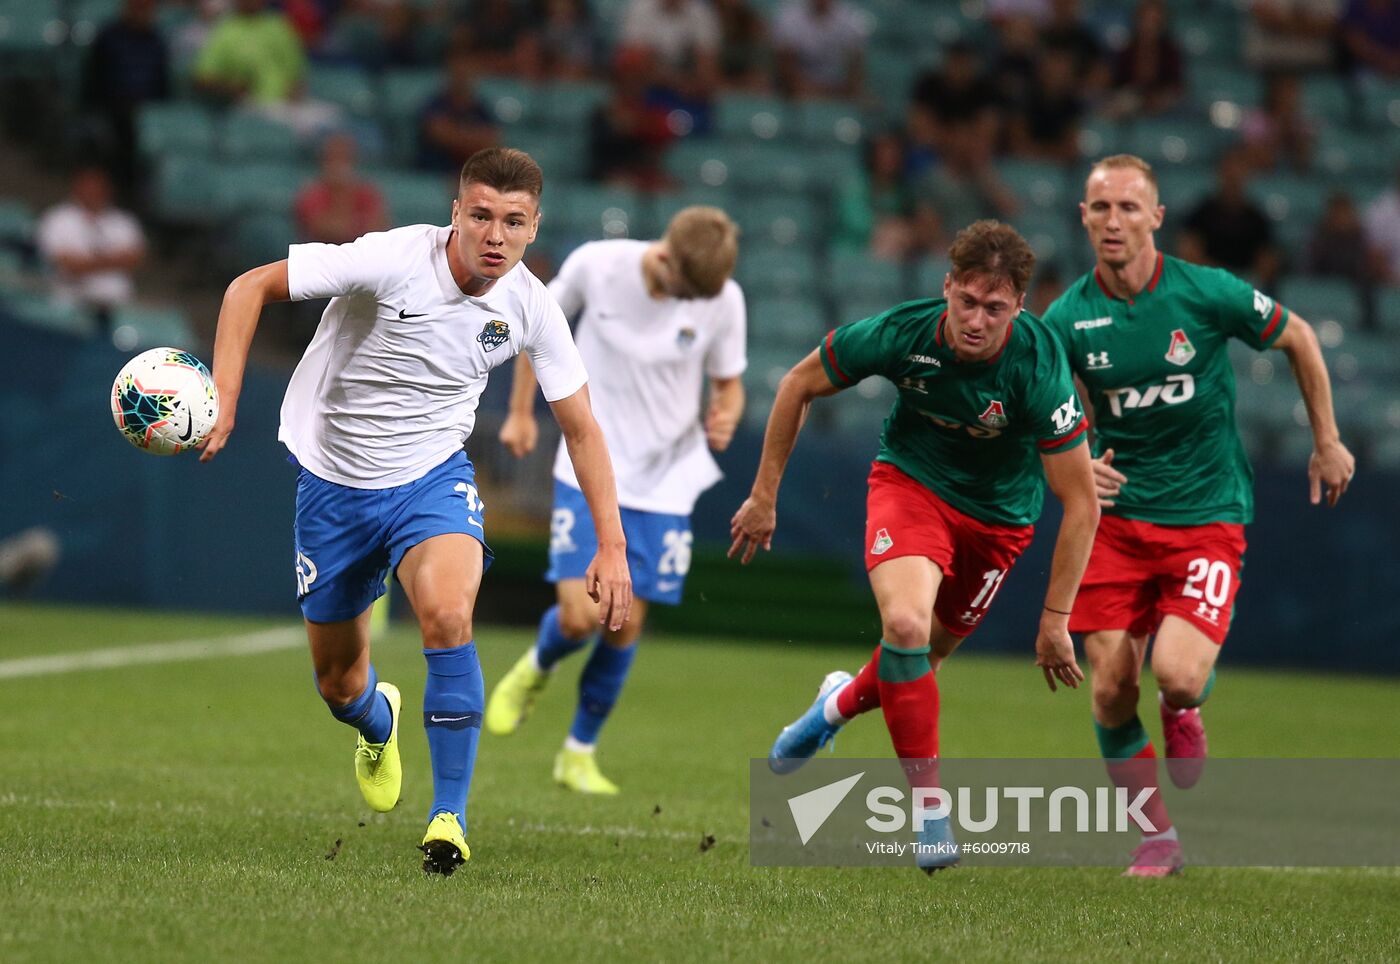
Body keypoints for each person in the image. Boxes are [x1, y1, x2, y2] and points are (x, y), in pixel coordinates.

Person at [196, 148, 633, 875]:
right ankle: (378, 722)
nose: (496, 235)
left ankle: (449, 819)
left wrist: (611, 545)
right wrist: (228, 397)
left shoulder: (529, 305)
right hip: (333, 484)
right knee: (338, 685)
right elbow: (248, 288)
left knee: (448, 616)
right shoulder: (390, 258)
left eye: (514, 222)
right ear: (457, 212)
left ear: (534, 227)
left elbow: (583, 430)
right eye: (483, 216)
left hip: (430, 480)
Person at [731, 220, 1100, 872]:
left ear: (1020, 306)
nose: (977, 321)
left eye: (996, 308)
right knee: (903, 625)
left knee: (920, 659)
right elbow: (797, 384)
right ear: (947, 286)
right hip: (912, 486)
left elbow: (1082, 502)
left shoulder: (1040, 370)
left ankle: (834, 706)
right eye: (967, 302)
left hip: (1001, 521)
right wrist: (764, 497)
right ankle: (931, 816)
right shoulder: (904, 334)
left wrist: (1056, 620)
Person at [1042, 153, 1355, 877]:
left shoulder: (1205, 292)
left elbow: (1299, 337)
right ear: (1083, 218)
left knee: (1176, 676)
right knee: (1112, 684)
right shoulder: (1065, 318)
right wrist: (1071, 460)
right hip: (1117, 525)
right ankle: (1156, 840)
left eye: (1127, 207)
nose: (1112, 221)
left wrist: (1327, 441)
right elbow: (1043, 414)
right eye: (1100, 208)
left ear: (1156, 217)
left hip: (1206, 515)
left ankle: (1186, 708)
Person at [485, 207, 746, 794]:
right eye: (682, 286)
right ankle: (538, 664)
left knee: (622, 623)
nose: (687, 301)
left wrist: (727, 411)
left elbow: (730, 383)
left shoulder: (723, 299)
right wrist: (523, 413)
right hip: (589, 466)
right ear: (665, 254)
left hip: (666, 481)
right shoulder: (597, 265)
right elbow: (533, 328)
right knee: (581, 615)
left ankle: (578, 752)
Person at [35, 166, 146, 330]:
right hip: (70, 302)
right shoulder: (57, 219)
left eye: (98, 187)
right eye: (88, 186)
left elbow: (136, 259)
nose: (93, 192)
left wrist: (88, 262)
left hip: (117, 304)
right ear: (76, 187)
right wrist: (116, 260)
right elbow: (70, 266)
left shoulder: (124, 222)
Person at [294, 132, 388, 245]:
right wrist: (341, 195)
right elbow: (325, 231)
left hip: (360, 257)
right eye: (333, 157)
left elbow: (380, 229)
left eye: (345, 157)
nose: (339, 164)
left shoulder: (366, 192)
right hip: (320, 257)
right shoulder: (311, 193)